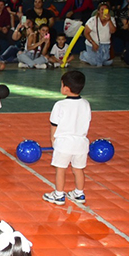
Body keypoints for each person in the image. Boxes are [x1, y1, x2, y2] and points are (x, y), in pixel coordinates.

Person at [39, 70, 92, 206]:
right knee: (78, 169)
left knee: (60, 170)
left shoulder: (60, 105)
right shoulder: (86, 104)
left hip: (64, 143)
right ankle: (79, 193)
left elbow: (54, 124)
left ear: (66, 88)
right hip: (81, 143)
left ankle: (58, 195)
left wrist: (53, 139)